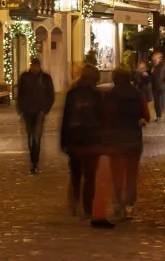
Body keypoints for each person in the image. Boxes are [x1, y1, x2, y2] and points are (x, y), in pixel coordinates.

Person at [60, 64, 112, 228]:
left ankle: (75, 201)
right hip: (92, 140)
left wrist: (63, 140)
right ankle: (88, 207)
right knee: (90, 175)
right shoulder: (98, 95)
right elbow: (104, 119)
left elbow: (66, 118)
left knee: (76, 173)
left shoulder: (72, 94)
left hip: (75, 140)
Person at [104, 65, 150, 218]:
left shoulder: (112, 94)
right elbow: (146, 115)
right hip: (134, 138)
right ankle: (129, 203)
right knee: (131, 173)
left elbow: (108, 115)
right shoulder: (138, 94)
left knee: (117, 172)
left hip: (116, 139)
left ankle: (118, 201)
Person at [16, 57, 55, 173]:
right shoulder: (25, 77)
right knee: (30, 136)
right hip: (28, 111)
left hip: (39, 111)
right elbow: (20, 94)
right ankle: (32, 160)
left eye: (36, 66)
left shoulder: (46, 78)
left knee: (36, 137)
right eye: (33, 65)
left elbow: (50, 95)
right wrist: (21, 109)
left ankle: (35, 162)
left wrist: (45, 109)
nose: (35, 68)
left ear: (39, 66)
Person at [149, 50, 165, 122]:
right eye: (153, 58)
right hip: (155, 86)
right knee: (156, 103)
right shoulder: (153, 66)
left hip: (162, 86)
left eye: (155, 57)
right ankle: (158, 116)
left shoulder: (164, 65)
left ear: (159, 58)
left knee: (161, 102)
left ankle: (163, 115)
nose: (154, 59)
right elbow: (151, 75)